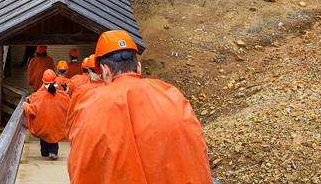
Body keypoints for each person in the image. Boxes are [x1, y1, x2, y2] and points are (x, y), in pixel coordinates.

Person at [67, 30, 213, 184]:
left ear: (105, 71)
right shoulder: (171, 95)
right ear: (138, 67)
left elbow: (81, 168)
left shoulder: (91, 105)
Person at [23, 69, 70, 160]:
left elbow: (31, 106)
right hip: (56, 127)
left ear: (43, 82)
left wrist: (25, 105)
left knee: (44, 136)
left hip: (43, 126)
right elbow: (68, 105)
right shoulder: (63, 96)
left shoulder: (38, 96)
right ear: (55, 81)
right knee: (54, 136)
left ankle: (45, 152)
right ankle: (53, 152)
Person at [65, 54, 103, 134]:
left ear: (88, 70)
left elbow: (71, 114)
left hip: (84, 131)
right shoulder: (110, 87)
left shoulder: (80, 89)